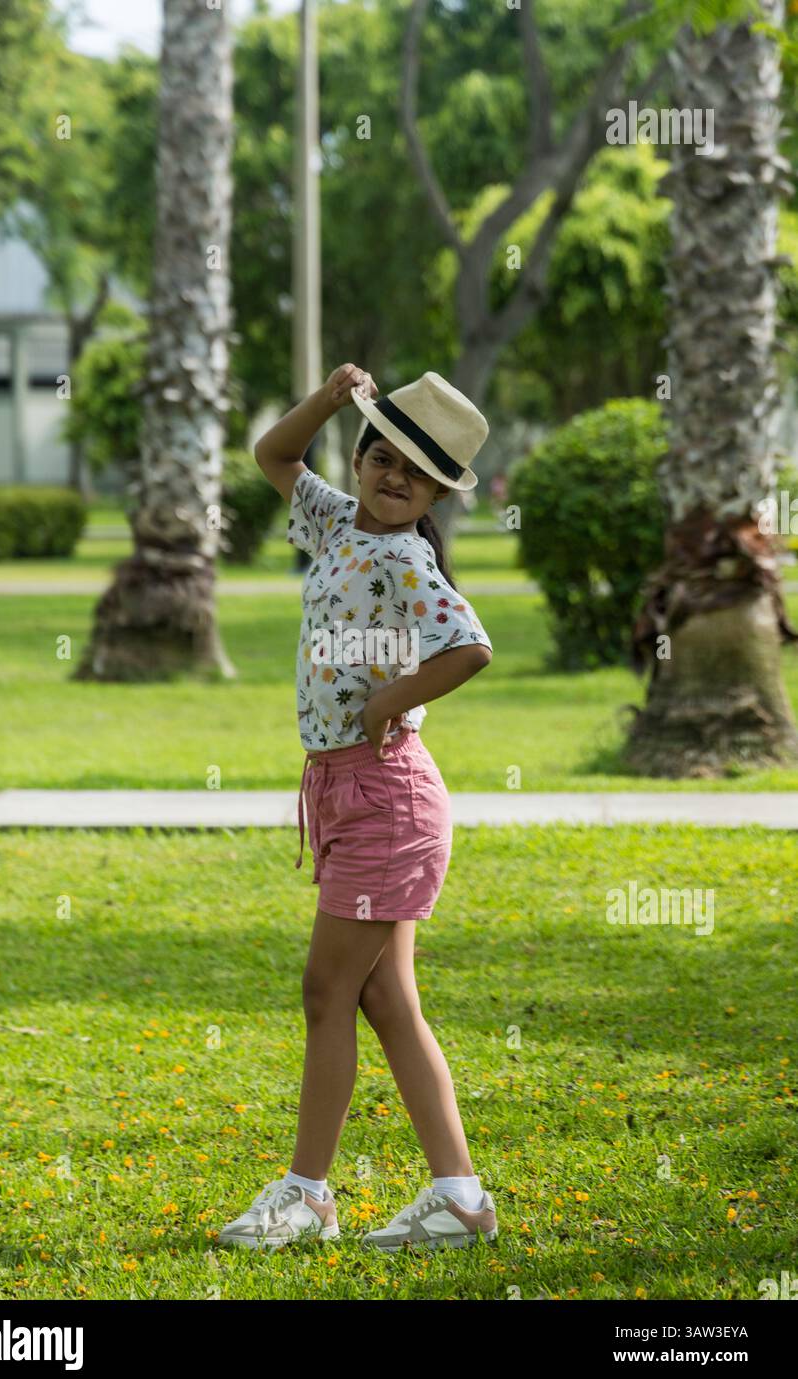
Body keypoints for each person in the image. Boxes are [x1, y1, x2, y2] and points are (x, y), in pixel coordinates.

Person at [217, 364, 498, 1252]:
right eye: (382, 458)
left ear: (437, 494)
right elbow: (274, 454)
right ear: (361, 458)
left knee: (327, 991)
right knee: (385, 998)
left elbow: (470, 647)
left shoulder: (408, 560)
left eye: (416, 473)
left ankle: (307, 1196)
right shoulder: (337, 522)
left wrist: (388, 701)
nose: (393, 478)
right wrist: (331, 399)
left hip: (386, 797)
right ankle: (459, 1199)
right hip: (349, 791)